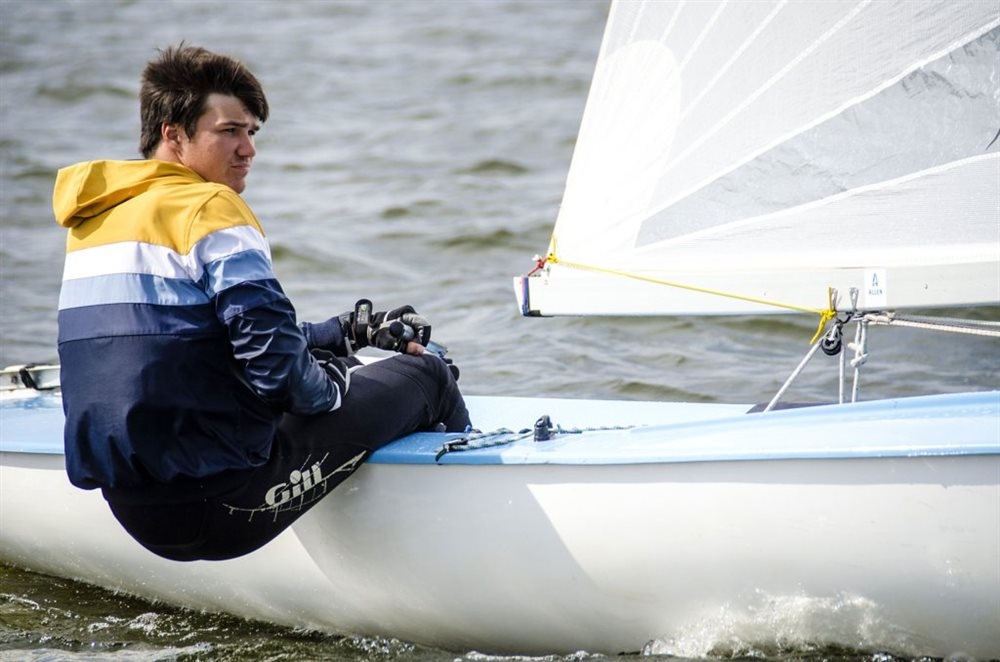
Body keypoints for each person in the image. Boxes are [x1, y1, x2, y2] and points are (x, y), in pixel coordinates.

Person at [53, 44, 471, 562]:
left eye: (252, 132)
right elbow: (280, 373)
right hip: (226, 504)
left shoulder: (97, 221)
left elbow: (192, 345)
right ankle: (470, 544)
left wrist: (342, 334)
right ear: (173, 134)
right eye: (230, 131)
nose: (248, 149)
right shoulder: (212, 207)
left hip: (135, 511)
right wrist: (335, 382)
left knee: (333, 369)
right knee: (429, 376)